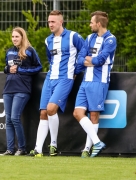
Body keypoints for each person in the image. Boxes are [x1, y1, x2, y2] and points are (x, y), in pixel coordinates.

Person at [27, 10, 84, 157]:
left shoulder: (73, 36)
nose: (50, 24)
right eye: (49, 22)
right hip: (50, 78)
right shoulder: (48, 40)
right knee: (43, 112)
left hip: (65, 78)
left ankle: (53, 144)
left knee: (51, 109)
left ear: (61, 22)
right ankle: (38, 150)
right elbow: (50, 58)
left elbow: (85, 52)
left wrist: (76, 70)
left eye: (53, 22)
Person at [73, 11, 117, 158]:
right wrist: (91, 60)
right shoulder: (90, 37)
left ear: (99, 24)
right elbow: (80, 59)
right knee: (77, 113)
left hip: (100, 81)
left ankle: (87, 149)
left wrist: (89, 60)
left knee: (93, 115)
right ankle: (97, 142)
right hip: (86, 81)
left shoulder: (110, 39)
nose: (90, 25)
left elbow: (101, 60)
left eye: (92, 22)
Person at [0, 27, 42, 156]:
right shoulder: (9, 51)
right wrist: (8, 69)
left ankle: (22, 148)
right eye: (12, 37)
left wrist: (21, 71)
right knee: (8, 120)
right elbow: (6, 68)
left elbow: (38, 67)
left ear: (22, 37)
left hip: (22, 89)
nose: (14, 39)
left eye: (16, 37)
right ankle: (10, 149)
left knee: (15, 118)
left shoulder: (30, 51)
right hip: (8, 88)